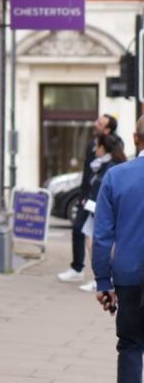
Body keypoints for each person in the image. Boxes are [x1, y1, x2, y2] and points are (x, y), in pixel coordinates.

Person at [92, 115, 144, 383]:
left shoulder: (117, 176)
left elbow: (101, 236)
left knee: (130, 346)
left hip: (130, 276)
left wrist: (102, 280)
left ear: (137, 138)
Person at [60, 113, 121, 282]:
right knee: (81, 231)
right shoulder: (92, 144)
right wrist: (83, 193)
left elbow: (108, 175)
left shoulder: (114, 145)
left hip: (99, 200)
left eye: (100, 123)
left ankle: (101, 277)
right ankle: (78, 268)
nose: (96, 124)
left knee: (94, 238)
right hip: (88, 197)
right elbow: (88, 173)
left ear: (107, 129)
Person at [78, 135, 128, 292]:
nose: (95, 150)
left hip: (99, 210)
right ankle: (100, 277)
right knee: (90, 241)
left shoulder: (109, 167)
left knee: (95, 242)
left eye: (97, 146)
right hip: (94, 208)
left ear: (104, 148)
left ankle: (103, 277)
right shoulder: (100, 165)